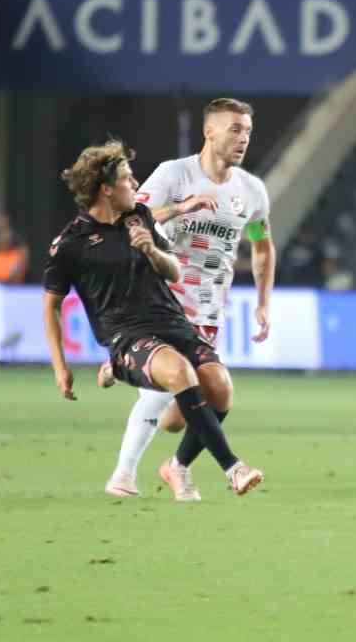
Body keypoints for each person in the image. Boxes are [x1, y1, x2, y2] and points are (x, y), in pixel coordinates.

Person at [42, 138, 262, 498]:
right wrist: (60, 366)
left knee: (220, 388)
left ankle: (173, 465)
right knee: (178, 372)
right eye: (128, 179)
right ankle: (234, 468)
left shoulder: (139, 218)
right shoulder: (70, 244)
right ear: (106, 189)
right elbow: (50, 306)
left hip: (172, 322)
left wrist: (151, 251)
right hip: (127, 335)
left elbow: (174, 271)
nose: (135, 183)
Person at [99, 98, 273, 500]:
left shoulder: (251, 191)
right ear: (209, 131)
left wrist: (264, 301)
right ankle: (122, 476)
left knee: (189, 411)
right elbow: (130, 220)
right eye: (235, 129)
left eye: (247, 131)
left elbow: (262, 245)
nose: (243, 138)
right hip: (161, 300)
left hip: (209, 311)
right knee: (165, 392)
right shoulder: (174, 174)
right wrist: (181, 207)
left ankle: (175, 463)